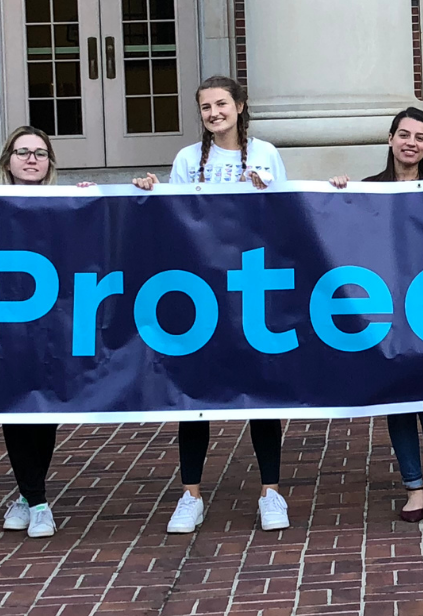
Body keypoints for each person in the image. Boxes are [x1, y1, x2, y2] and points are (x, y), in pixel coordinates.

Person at [133, 76, 291, 533]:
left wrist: (264, 193)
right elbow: (177, 219)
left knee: (260, 393)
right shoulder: (187, 159)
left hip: (250, 287)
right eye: (206, 107)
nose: (214, 112)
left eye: (221, 103)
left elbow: (284, 218)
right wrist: (152, 189)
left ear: (240, 106)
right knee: (193, 392)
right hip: (201, 289)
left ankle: (271, 492)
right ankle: (190, 495)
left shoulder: (266, 154)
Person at [331, 107, 423, 522]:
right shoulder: (369, 189)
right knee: (400, 400)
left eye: (421, 137)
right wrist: (338, 193)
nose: (411, 142)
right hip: (388, 308)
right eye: (404, 134)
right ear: (390, 139)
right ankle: (413, 487)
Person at [0, 126, 93, 539]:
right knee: (16, 409)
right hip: (3, 326)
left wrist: (97, 200)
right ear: (7, 161)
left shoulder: (67, 201)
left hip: (52, 325)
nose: (32, 159)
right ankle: (37, 502)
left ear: (51, 162)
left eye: (40, 153)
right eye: (22, 152)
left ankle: (26, 495)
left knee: (45, 410)